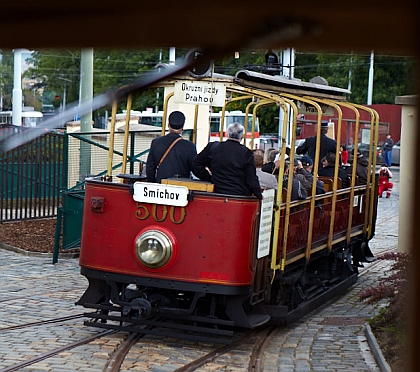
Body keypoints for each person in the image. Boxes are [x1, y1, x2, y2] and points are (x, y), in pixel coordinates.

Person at [192, 122, 262, 199]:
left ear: (227, 134)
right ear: (241, 137)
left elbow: (196, 163)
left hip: (216, 192)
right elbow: (251, 179)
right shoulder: (246, 153)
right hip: (238, 195)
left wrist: (208, 178)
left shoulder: (213, 147)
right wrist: (258, 194)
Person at [146, 111, 197, 183]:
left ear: (168, 125)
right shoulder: (190, 146)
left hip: (160, 185)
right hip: (181, 187)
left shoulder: (156, 142)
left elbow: (150, 167)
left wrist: (152, 182)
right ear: (182, 128)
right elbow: (195, 169)